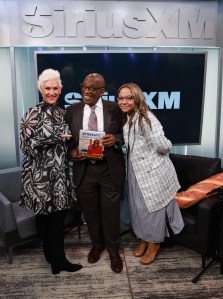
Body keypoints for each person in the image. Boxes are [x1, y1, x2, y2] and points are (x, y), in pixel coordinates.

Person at [20, 69, 83, 275]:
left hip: (60, 176)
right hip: (39, 177)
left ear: (61, 89)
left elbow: (67, 144)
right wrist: (53, 137)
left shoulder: (63, 113)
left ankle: (57, 260)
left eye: (55, 88)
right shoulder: (32, 113)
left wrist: (75, 150)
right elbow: (25, 147)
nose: (52, 92)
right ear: (41, 89)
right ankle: (53, 257)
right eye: (48, 88)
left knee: (58, 218)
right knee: (44, 218)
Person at [117, 82, 184, 265]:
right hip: (136, 171)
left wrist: (165, 145)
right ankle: (144, 238)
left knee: (152, 209)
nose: (124, 101)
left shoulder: (146, 118)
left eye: (129, 98)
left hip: (153, 173)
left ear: (137, 98)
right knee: (138, 209)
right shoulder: (129, 117)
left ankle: (154, 243)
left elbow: (163, 146)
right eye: (121, 98)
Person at [66, 73, 125, 273]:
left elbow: (128, 132)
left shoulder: (115, 109)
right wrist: (71, 152)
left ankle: (114, 250)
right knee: (90, 213)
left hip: (110, 169)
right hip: (85, 170)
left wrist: (116, 139)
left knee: (111, 213)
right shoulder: (71, 110)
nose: (87, 91)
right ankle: (97, 245)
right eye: (84, 86)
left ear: (102, 91)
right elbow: (67, 140)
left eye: (92, 88)